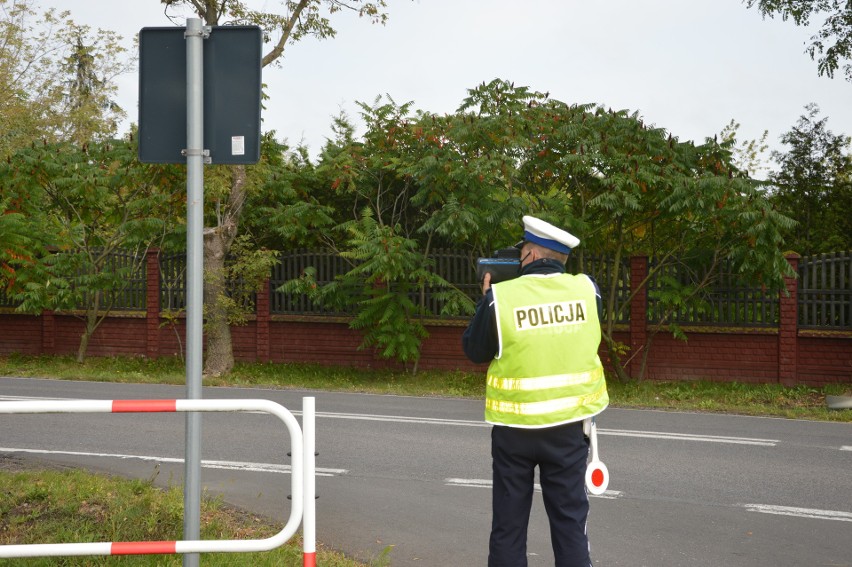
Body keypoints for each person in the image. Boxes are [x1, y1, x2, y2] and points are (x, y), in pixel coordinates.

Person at [462, 215, 608, 567]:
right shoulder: (588, 290)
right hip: (569, 429)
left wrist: (486, 301)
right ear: (560, 258)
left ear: (528, 255)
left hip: (515, 432)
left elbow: (474, 350)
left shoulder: (501, 298)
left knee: (509, 529)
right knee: (570, 525)